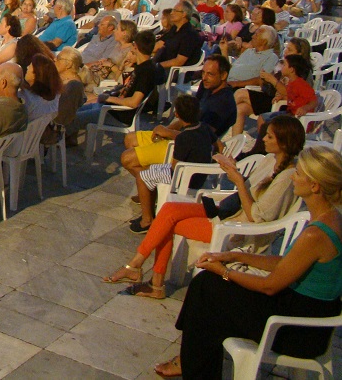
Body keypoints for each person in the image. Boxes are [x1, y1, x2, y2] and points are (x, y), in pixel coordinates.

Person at [157, 145, 342, 380]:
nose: (293, 177)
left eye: (298, 173)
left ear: (314, 186)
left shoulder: (316, 234)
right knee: (207, 297)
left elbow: (269, 286)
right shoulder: (332, 218)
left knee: (206, 289)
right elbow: (287, 263)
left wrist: (224, 272)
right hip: (306, 316)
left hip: (298, 331)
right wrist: (235, 256)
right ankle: (190, 362)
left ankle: (190, 362)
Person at [104, 114, 304, 305]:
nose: (264, 139)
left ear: (284, 143)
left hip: (237, 228)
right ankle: (140, 270)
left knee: (166, 222)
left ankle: (147, 277)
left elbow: (256, 217)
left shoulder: (286, 178)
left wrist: (238, 182)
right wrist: (234, 172)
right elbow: (251, 191)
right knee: (169, 209)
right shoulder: (270, 160)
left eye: (270, 137)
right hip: (228, 211)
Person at [121, 55, 237, 232]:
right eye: (203, 73)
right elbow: (192, 119)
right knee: (130, 139)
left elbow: (201, 139)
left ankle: (148, 201)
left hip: (186, 149)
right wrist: (166, 129)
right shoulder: (207, 88)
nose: (204, 78)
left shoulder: (223, 103)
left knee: (128, 159)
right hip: (183, 137)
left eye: (210, 74)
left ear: (224, 75)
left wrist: (168, 134)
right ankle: (149, 192)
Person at [68, 30, 159, 142]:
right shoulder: (142, 67)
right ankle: (69, 140)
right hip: (112, 108)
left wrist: (109, 98)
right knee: (73, 111)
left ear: (135, 46)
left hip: (117, 114)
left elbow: (134, 102)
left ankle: (56, 143)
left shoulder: (146, 72)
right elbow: (127, 88)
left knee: (73, 119)